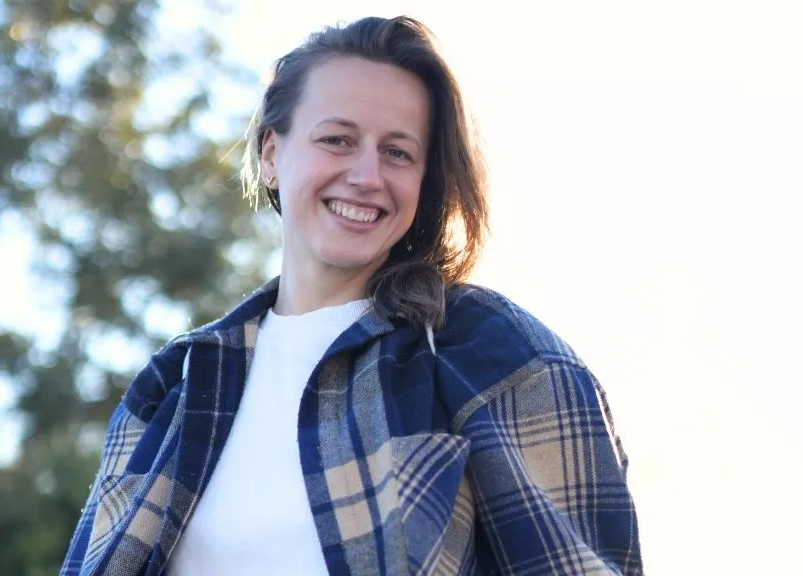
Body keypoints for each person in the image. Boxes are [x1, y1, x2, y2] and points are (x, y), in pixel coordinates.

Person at [61, 15, 643, 576]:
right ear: (270, 154)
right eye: (337, 139)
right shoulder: (176, 384)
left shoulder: (492, 353)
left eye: (398, 152)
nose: (367, 175)